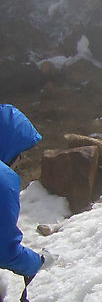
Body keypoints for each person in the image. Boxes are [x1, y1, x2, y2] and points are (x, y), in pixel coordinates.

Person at [0, 104, 46, 281]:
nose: (22, 159)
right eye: (20, 153)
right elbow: (5, 251)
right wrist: (38, 262)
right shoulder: (3, 178)